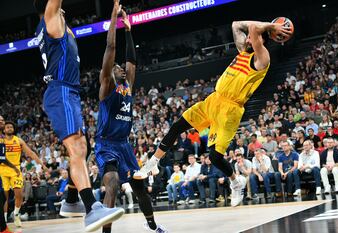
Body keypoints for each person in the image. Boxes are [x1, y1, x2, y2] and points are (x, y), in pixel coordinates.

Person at [134, 20, 292, 207]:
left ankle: (235, 182)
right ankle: (152, 163)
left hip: (230, 110)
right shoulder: (243, 51)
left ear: (259, 40)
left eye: (251, 37)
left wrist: (269, 27)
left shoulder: (262, 57)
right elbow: (235, 25)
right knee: (177, 126)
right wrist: (270, 26)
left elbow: (253, 29)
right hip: (213, 100)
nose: (246, 38)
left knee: (215, 157)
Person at [33, 0, 123, 231]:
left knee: (85, 148)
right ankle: (92, 209)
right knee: (78, 149)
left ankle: (72, 201)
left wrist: (113, 16)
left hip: (68, 92)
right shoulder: (51, 18)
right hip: (61, 90)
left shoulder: (56, 24)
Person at [93, 2, 166, 232]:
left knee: (140, 187)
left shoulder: (128, 86)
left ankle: (153, 226)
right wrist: (114, 19)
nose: (121, 69)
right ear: (108, 73)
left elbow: (132, 61)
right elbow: (111, 47)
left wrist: (128, 29)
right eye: (117, 68)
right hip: (106, 145)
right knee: (112, 185)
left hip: (124, 145)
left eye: (121, 68)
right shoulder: (106, 87)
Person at [0, 122, 46, 227]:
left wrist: (42, 164)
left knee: (19, 195)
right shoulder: (1, 141)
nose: (9, 128)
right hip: (2, 170)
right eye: (7, 127)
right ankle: (4, 220)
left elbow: (31, 153)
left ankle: (16, 214)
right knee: (4, 197)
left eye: (11, 127)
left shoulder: (19, 140)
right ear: (4, 130)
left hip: (16, 170)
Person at [0, 116, 16, 233]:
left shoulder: (2, 138)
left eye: (2, 120)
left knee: (1, 198)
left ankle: (3, 228)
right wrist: (14, 167)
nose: (1, 121)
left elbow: (2, 158)